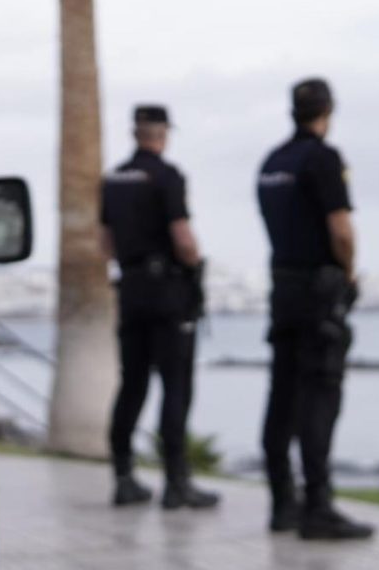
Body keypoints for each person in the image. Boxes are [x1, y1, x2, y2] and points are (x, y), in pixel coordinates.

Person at [257, 78, 373, 540]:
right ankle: (318, 507)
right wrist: (348, 273)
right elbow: (341, 230)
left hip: (282, 290)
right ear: (328, 111)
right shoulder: (322, 158)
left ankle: (282, 503)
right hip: (317, 293)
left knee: (282, 395)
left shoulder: (272, 162)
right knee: (320, 396)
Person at [100, 105, 219, 509]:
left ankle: (123, 476)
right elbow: (182, 237)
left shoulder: (113, 179)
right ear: (163, 133)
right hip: (167, 292)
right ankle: (176, 482)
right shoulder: (167, 176)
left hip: (131, 290)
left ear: (135, 133)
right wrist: (194, 266)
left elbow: (105, 244)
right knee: (176, 385)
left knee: (132, 384)